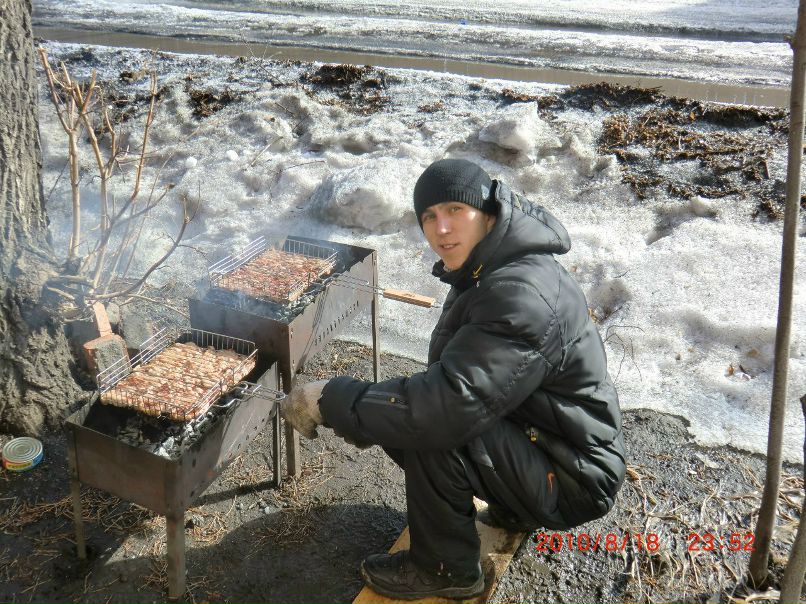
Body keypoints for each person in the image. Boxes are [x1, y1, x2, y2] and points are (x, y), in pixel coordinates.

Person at [283, 158, 626, 600]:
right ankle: (514, 505)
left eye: (454, 210)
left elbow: (442, 410)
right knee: (412, 405)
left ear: (486, 212)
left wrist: (328, 399)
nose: (441, 228)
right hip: (554, 447)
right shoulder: (495, 266)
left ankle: (447, 572)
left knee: (428, 425)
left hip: (574, 476)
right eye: (429, 217)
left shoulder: (519, 294)